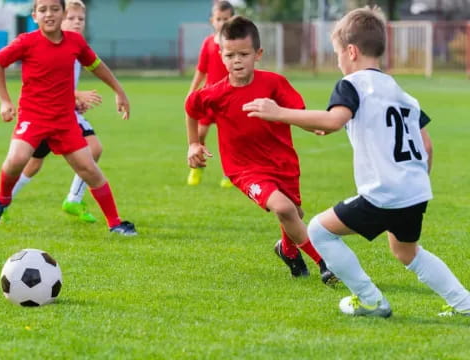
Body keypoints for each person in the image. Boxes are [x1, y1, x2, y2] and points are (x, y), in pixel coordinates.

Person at [243, 6, 470, 317]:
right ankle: (465, 304)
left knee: (320, 231)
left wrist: (278, 112)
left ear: (350, 51)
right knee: (407, 252)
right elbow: (426, 145)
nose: (338, 61)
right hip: (415, 190)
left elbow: (335, 120)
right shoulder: (401, 92)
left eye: (337, 54)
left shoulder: (352, 84)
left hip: (385, 192)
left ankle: (371, 301)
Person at [185, 16, 337, 285]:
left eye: (243, 54)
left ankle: (287, 250)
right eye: (230, 55)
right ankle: (325, 263)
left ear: (258, 54)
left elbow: (296, 113)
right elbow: (191, 107)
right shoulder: (215, 93)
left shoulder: (274, 83)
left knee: (295, 214)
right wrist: (194, 143)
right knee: (284, 208)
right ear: (221, 56)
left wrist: (313, 126)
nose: (237, 60)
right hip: (243, 169)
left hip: (282, 162)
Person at [0, 0, 136, 236]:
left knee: (89, 168)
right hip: (33, 117)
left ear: (63, 13)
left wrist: (119, 91)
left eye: (55, 9)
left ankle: (115, 223)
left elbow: (96, 66)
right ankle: (1, 200)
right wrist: (5, 101)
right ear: (35, 15)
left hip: (64, 121)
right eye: (43, 10)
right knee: (17, 158)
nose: (49, 14)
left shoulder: (75, 42)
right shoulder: (26, 42)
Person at [10, 0, 102, 224]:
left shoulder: (75, 45)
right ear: (61, 18)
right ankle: (1, 201)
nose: (77, 23)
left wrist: (74, 99)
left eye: (81, 19)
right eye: (72, 18)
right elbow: (47, 86)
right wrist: (75, 96)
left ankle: (73, 198)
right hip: (47, 115)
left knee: (92, 149)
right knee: (33, 163)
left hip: (65, 114)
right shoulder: (52, 44)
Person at [186, 0, 234, 188]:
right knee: (199, 133)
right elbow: (201, 69)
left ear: (232, 20)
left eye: (226, 19)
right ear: (212, 20)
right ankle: (197, 167)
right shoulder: (208, 43)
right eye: (219, 19)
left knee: (229, 138)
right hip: (209, 97)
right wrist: (192, 90)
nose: (222, 23)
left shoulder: (234, 44)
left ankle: (229, 174)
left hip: (229, 98)